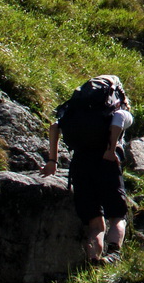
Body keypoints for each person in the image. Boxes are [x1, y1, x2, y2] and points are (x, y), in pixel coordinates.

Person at [41, 78, 133, 266]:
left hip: (80, 164)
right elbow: (118, 121)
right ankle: (114, 254)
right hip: (106, 162)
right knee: (117, 216)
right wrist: (111, 148)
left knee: (95, 223)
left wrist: (52, 161)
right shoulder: (117, 109)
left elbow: (54, 126)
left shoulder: (76, 110)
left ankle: (93, 261)